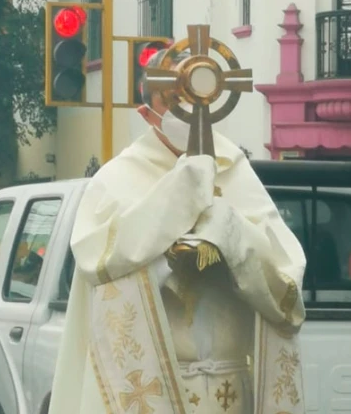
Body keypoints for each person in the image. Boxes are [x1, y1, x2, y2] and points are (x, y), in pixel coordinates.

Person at [48, 49, 307, 414]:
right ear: (146, 112)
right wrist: (168, 247)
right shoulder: (117, 180)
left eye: (196, 101)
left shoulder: (235, 173)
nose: (188, 112)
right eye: (173, 101)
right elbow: (97, 261)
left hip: (233, 392)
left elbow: (286, 284)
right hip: (153, 391)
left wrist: (233, 239)